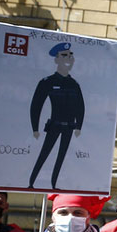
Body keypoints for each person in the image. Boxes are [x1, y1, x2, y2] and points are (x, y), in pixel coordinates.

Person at [28, 42, 84, 189]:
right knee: (44, 153)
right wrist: (35, 128)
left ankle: (54, 184)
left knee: (61, 156)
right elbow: (36, 105)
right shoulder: (47, 82)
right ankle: (31, 183)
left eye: (70, 55)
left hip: (69, 127)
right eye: (64, 55)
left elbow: (80, 107)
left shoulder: (74, 84)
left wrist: (79, 126)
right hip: (54, 124)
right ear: (56, 59)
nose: (69, 58)